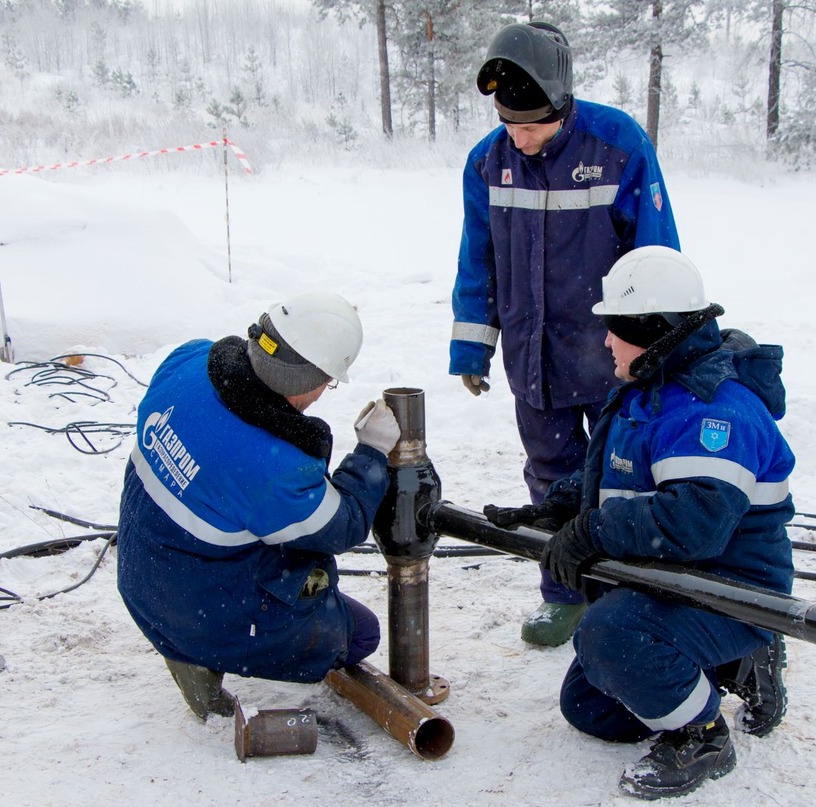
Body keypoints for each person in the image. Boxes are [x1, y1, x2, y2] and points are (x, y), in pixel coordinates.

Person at [485, 246, 794, 799]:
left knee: (612, 637)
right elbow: (618, 472)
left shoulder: (712, 411)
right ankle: (727, 667)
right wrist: (559, 507)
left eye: (617, 327)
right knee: (590, 708)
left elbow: (692, 523)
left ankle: (703, 734)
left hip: (731, 587)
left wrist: (592, 532)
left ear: (655, 330)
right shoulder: (651, 388)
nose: (606, 340)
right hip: (671, 579)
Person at [451, 21, 681, 647]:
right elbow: (479, 260)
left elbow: (656, 254)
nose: (520, 139)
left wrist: (660, 347)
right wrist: (473, 344)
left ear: (564, 105)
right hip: (535, 358)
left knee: (626, 478)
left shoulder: (619, 145)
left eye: (533, 126)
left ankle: (635, 591)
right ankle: (565, 592)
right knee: (551, 479)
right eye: (510, 126)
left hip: (615, 357)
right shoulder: (487, 162)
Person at [116, 292, 402, 721]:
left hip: (141, 574)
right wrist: (371, 453)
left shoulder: (189, 360)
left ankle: (185, 634)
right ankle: (195, 651)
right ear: (315, 380)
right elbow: (342, 525)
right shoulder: (275, 468)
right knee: (356, 633)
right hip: (194, 604)